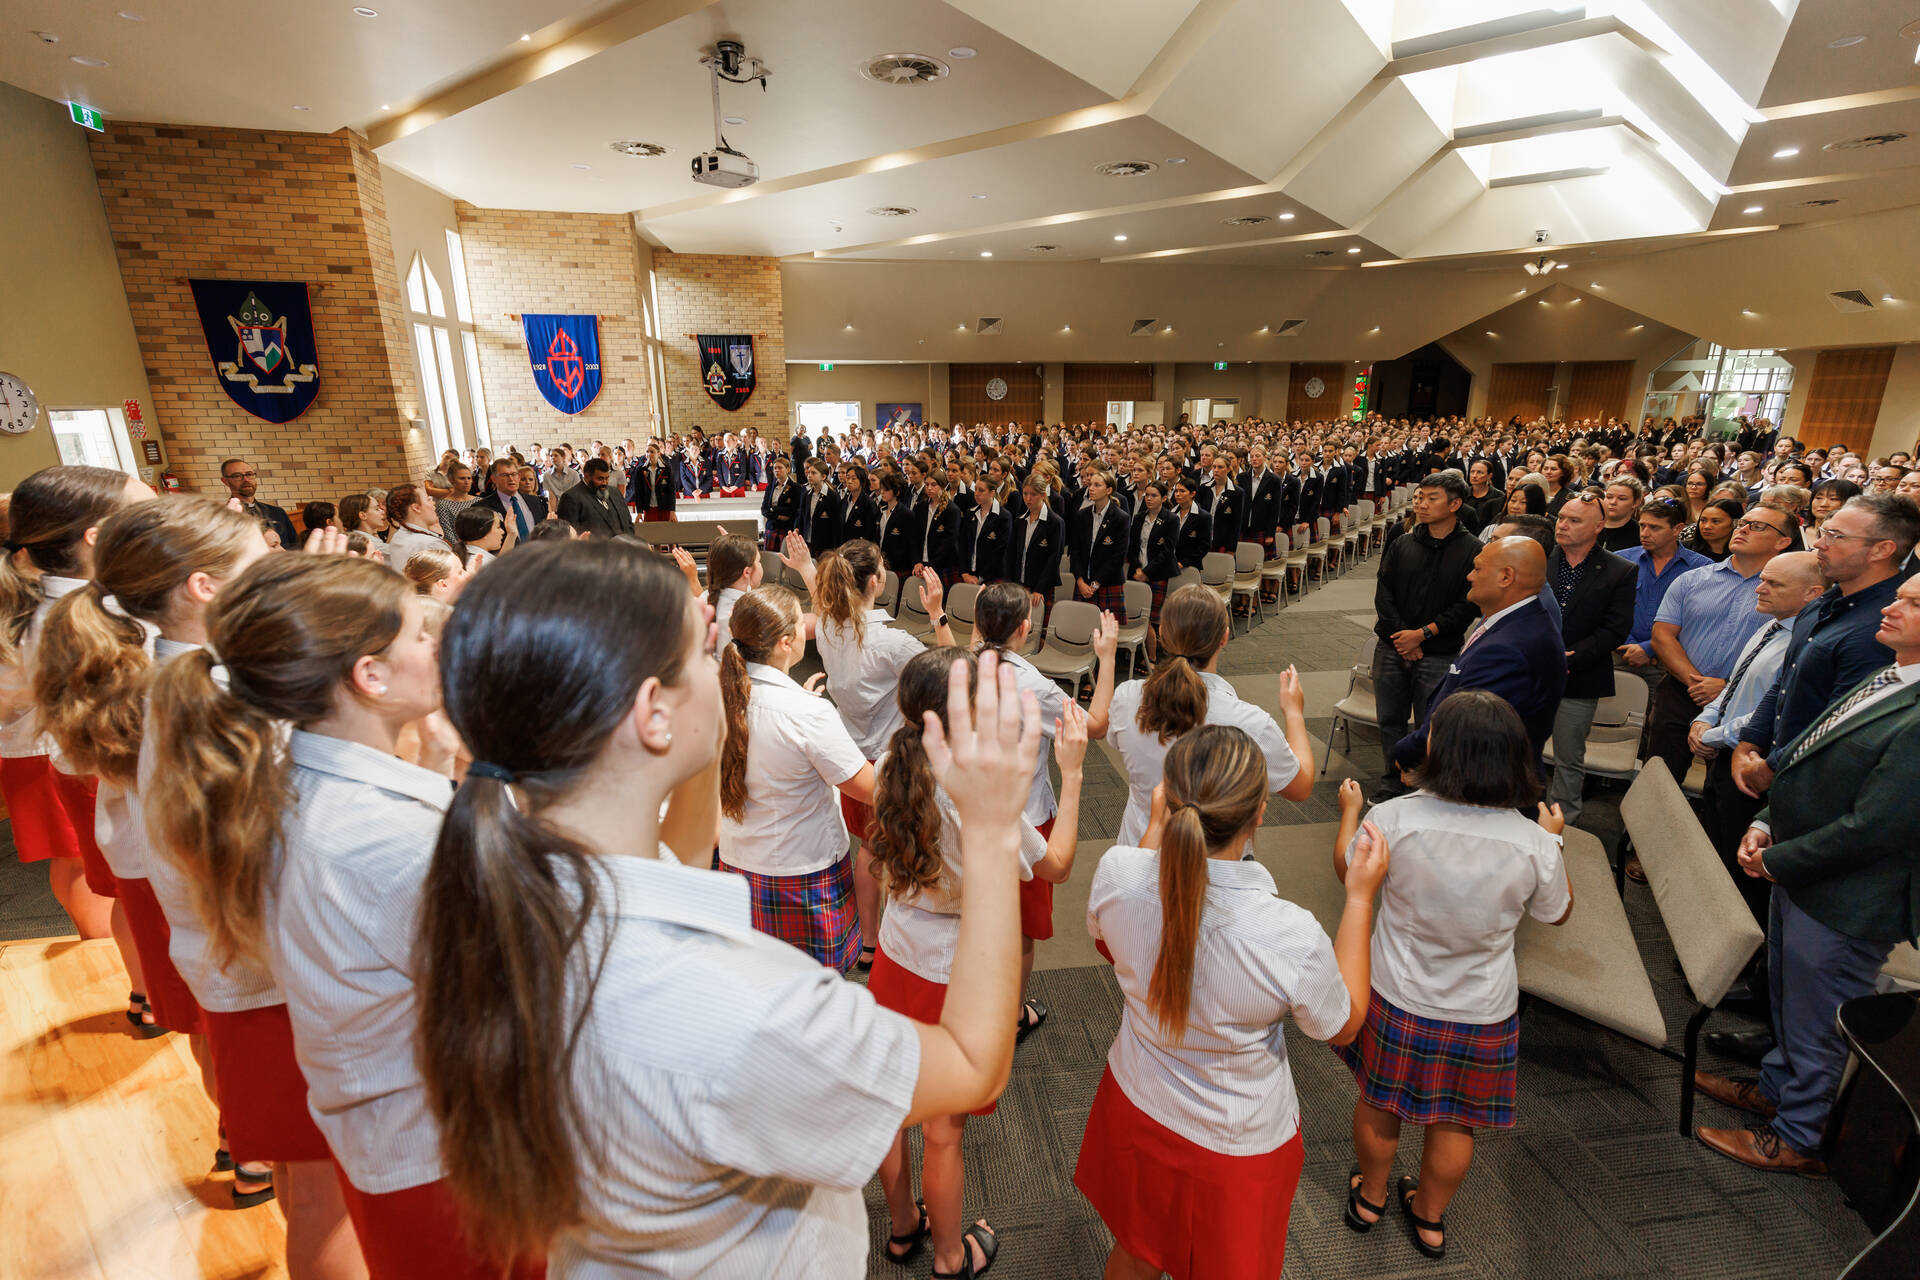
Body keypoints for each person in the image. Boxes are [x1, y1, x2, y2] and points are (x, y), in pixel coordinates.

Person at [413, 540, 1034, 1274]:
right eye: (699, 655)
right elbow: (973, 1067)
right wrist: (993, 832)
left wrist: (705, 734)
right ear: (653, 712)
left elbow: (684, 839)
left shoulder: (523, 889)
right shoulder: (743, 1006)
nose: (724, 667)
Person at [145, 554, 463, 1278]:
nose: (441, 645)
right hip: (438, 1149)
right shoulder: (381, 837)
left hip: (396, 1131)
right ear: (369, 677)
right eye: (422, 634)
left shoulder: (303, 782)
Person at [1078, 725, 1389, 1280]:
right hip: (1236, 1146)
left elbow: (1106, 940)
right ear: (1260, 813)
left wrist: (1152, 830)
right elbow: (1341, 1026)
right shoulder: (1288, 935)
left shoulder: (1115, 874)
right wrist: (1361, 899)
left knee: (1136, 1250)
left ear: (1166, 799)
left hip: (1135, 1102)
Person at [34, 497, 278, 1196]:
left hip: (192, 910)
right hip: (233, 927)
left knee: (213, 1036)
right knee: (307, 1167)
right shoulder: (202, 692)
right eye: (261, 564)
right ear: (204, 587)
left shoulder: (156, 668)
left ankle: (242, 1138)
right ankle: (247, 1141)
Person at [868, 647, 1085, 1280]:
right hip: (953, 972)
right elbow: (1059, 865)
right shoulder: (978, 792)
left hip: (897, 951)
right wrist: (1071, 777)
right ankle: (948, 1256)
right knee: (943, 1131)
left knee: (889, 1106)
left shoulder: (889, 761)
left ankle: (904, 1228)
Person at [1694, 571, 1920, 1176]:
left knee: (1820, 1019)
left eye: (1913, 601)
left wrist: (1776, 858)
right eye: (1900, 594)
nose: (1893, 603)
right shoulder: (1891, 674)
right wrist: (1768, 820)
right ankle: (1776, 1091)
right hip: (1802, 869)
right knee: (1790, 999)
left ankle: (1799, 1137)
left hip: (1847, 896)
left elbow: (1875, 827)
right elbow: (1809, 757)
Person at [1339, 691, 1571, 1259]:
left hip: (1397, 994)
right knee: (1455, 1123)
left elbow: (1352, 874)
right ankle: (1429, 1216)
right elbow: (1554, 912)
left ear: (1439, 749)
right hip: (1482, 1010)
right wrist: (1556, 839)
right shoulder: (1535, 843)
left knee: (1379, 1101)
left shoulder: (1393, 819)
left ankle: (1370, 1198)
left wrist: (1350, 815)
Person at [970, 581, 1118, 1036]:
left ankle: (976, 993)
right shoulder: (1030, 682)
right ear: (1025, 628)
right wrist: (1107, 657)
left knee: (976, 907)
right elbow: (1094, 726)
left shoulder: (960, 664)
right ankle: (1012, 1015)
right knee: (1022, 926)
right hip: (1025, 818)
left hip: (969, 807)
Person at [807, 540, 955, 968]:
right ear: (876, 580)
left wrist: (803, 568)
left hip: (851, 757)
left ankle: (869, 942)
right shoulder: (891, 641)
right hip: (893, 765)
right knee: (906, 851)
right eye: (883, 565)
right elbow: (949, 673)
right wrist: (936, 613)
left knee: (870, 852)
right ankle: (898, 943)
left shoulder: (830, 627)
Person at [716, 586, 875, 971]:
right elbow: (870, 788)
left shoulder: (718, 695)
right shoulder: (807, 714)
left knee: (757, 980)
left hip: (737, 862)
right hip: (801, 871)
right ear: (786, 642)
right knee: (814, 992)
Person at [1099, 586, 1313, 845]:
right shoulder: (1251, 724)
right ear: (1224, 637)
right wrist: (1294, 714)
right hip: (1214, 867)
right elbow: (1300, 787)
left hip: (1137, 852)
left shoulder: (1127, 697)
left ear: (1163, 634)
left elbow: (1114, 740)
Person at [1640, 503, 1796, 802]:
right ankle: (1634, 845)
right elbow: (1662, 636)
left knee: (1725, 794)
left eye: (1758, 526)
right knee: (1657, 780)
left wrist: (1724, 688)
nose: (1744, 528)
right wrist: (1696, 682)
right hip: (1680, 692)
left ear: (1783, 542)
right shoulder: (1693, 579)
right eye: (1743, 522)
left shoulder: (1787, 592)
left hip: (1745, 704)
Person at [1391, 538, 1566, 780]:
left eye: (1478, 569)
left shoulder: (1510, 648)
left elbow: (1463, 726)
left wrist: (1407, 754)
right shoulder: (1516, 622)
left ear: (1506, 577)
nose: (1469, 577)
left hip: (1484, 787)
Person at [1370, 473, 1480, 801]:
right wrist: (1402, 636)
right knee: (1390, 721)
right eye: (1420, 496)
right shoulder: (1403, 542)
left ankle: (1426, 787)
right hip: (1392, 648)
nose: (1421, 503)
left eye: (1432, 498)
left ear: (1455, 505)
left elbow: (1467, 605)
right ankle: (1393, 779)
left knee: (1431, 725)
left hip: (1438, 652)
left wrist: (1423, 634)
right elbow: (1383, 591)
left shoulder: (1472, 549)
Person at [1543, 492, 1637, 823]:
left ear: (1598, 526)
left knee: (1568, 757)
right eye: (1561, 518)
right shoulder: (1539, 557)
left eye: (1574, 520)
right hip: (1530, 671)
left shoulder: (1619, 570)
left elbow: (1616, 629)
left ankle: (1562, 823)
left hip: (1578, 677)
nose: (1563, 525)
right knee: (1518, 748)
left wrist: (1570, 656)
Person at [1615, 497, 1710, 668]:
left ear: (1677, 529)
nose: (1644, 533)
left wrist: (1648, 649)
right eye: (1642, 525)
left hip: (1673, 661)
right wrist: (1630, 647)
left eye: (1655, 528)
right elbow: (1609, 610)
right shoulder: (1621, 560)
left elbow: (1698, 621)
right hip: (1621, 653)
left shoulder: (1702, 569)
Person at [1069, 468, 1131, 614]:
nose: (1091, 488)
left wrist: (1096, 583)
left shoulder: (1121, 518)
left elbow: (1118, 556)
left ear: (1109, 490)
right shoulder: (1081, 515)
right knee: (1081, 631)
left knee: (1106, 631)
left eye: (1097, 485)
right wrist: (1080, 580)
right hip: (1083, 581)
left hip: (1108, 581)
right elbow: (1075, 550)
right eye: (1090, 484)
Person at [1008, 472, 1065, 614]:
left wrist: (1040, 588)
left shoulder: (1055, 522)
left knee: (1038, 630)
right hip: (1019, 581)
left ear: (1043, 495)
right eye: (1025, 493)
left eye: (1033, 494)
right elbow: (1012, 554)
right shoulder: (1019, 520)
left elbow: (1054, 559)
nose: (1028, 498)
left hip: (1041, 585)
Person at [219, 457, 298, 548]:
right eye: (237, 476)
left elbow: (294, 547)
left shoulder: (277, 512)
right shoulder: (223, 517)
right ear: (225, 481)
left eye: (249, 474)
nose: (246, 479)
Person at [555, 457, 634, 539]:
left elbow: (628, 523)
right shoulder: (571, 498)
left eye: (607, 478)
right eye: (600, 479)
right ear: (586, 476)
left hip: (625, 548)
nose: (604, 483)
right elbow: (570, 535)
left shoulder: (615, 492)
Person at [477, 458, 547, 541]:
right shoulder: (483, 507)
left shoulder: (535, 501)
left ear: (518, 477)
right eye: (505, 475)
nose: (511, 479)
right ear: (494, 478)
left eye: (514, 474)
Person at [385, 483, 451, 568]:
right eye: (428, 499)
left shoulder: (397, 538)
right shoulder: (431, 544)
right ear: (416, 508)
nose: (433, 503)